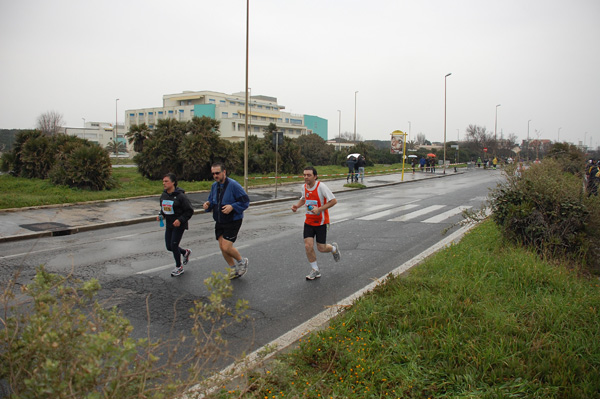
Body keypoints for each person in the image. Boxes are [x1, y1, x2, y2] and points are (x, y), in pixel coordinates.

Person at [291, 166, 341, 280]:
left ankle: (333, 249)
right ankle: (315, 270)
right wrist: (297, 206)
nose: (306, 177)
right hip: (308, 221)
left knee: (321, 248)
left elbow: (333, 201)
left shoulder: (321, 187)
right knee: (308, 246)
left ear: (315, 176)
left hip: (321, 222)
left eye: (308, 175)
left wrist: (319, 209)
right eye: (304, 175)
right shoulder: (304, 187)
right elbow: (304, 198)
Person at [202, 162, 250, 279]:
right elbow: (212, 201)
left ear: (224, 172)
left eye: (217, 173)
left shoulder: (234, 185)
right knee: (221, 246)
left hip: (233, 220)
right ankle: (232, 269)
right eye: (213, 174)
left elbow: (245, 201)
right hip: (220, 220)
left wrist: (232, 206)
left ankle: (242, 262)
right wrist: (208, 205)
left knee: (226, 247)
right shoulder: (215, 186)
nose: (215, 176)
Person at [158, 173, 194, 277]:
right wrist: (161, 215)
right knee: (169, 247)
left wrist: (180, 220)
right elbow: (164, 209)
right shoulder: (164, 195)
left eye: (166, 181)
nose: (164, 183)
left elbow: (189, 211)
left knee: (174, 245)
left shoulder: (181, 196)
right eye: (163, 181)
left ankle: (179, 267)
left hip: (179, 225)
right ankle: (185, 252)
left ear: (173, 182)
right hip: (169, 224)